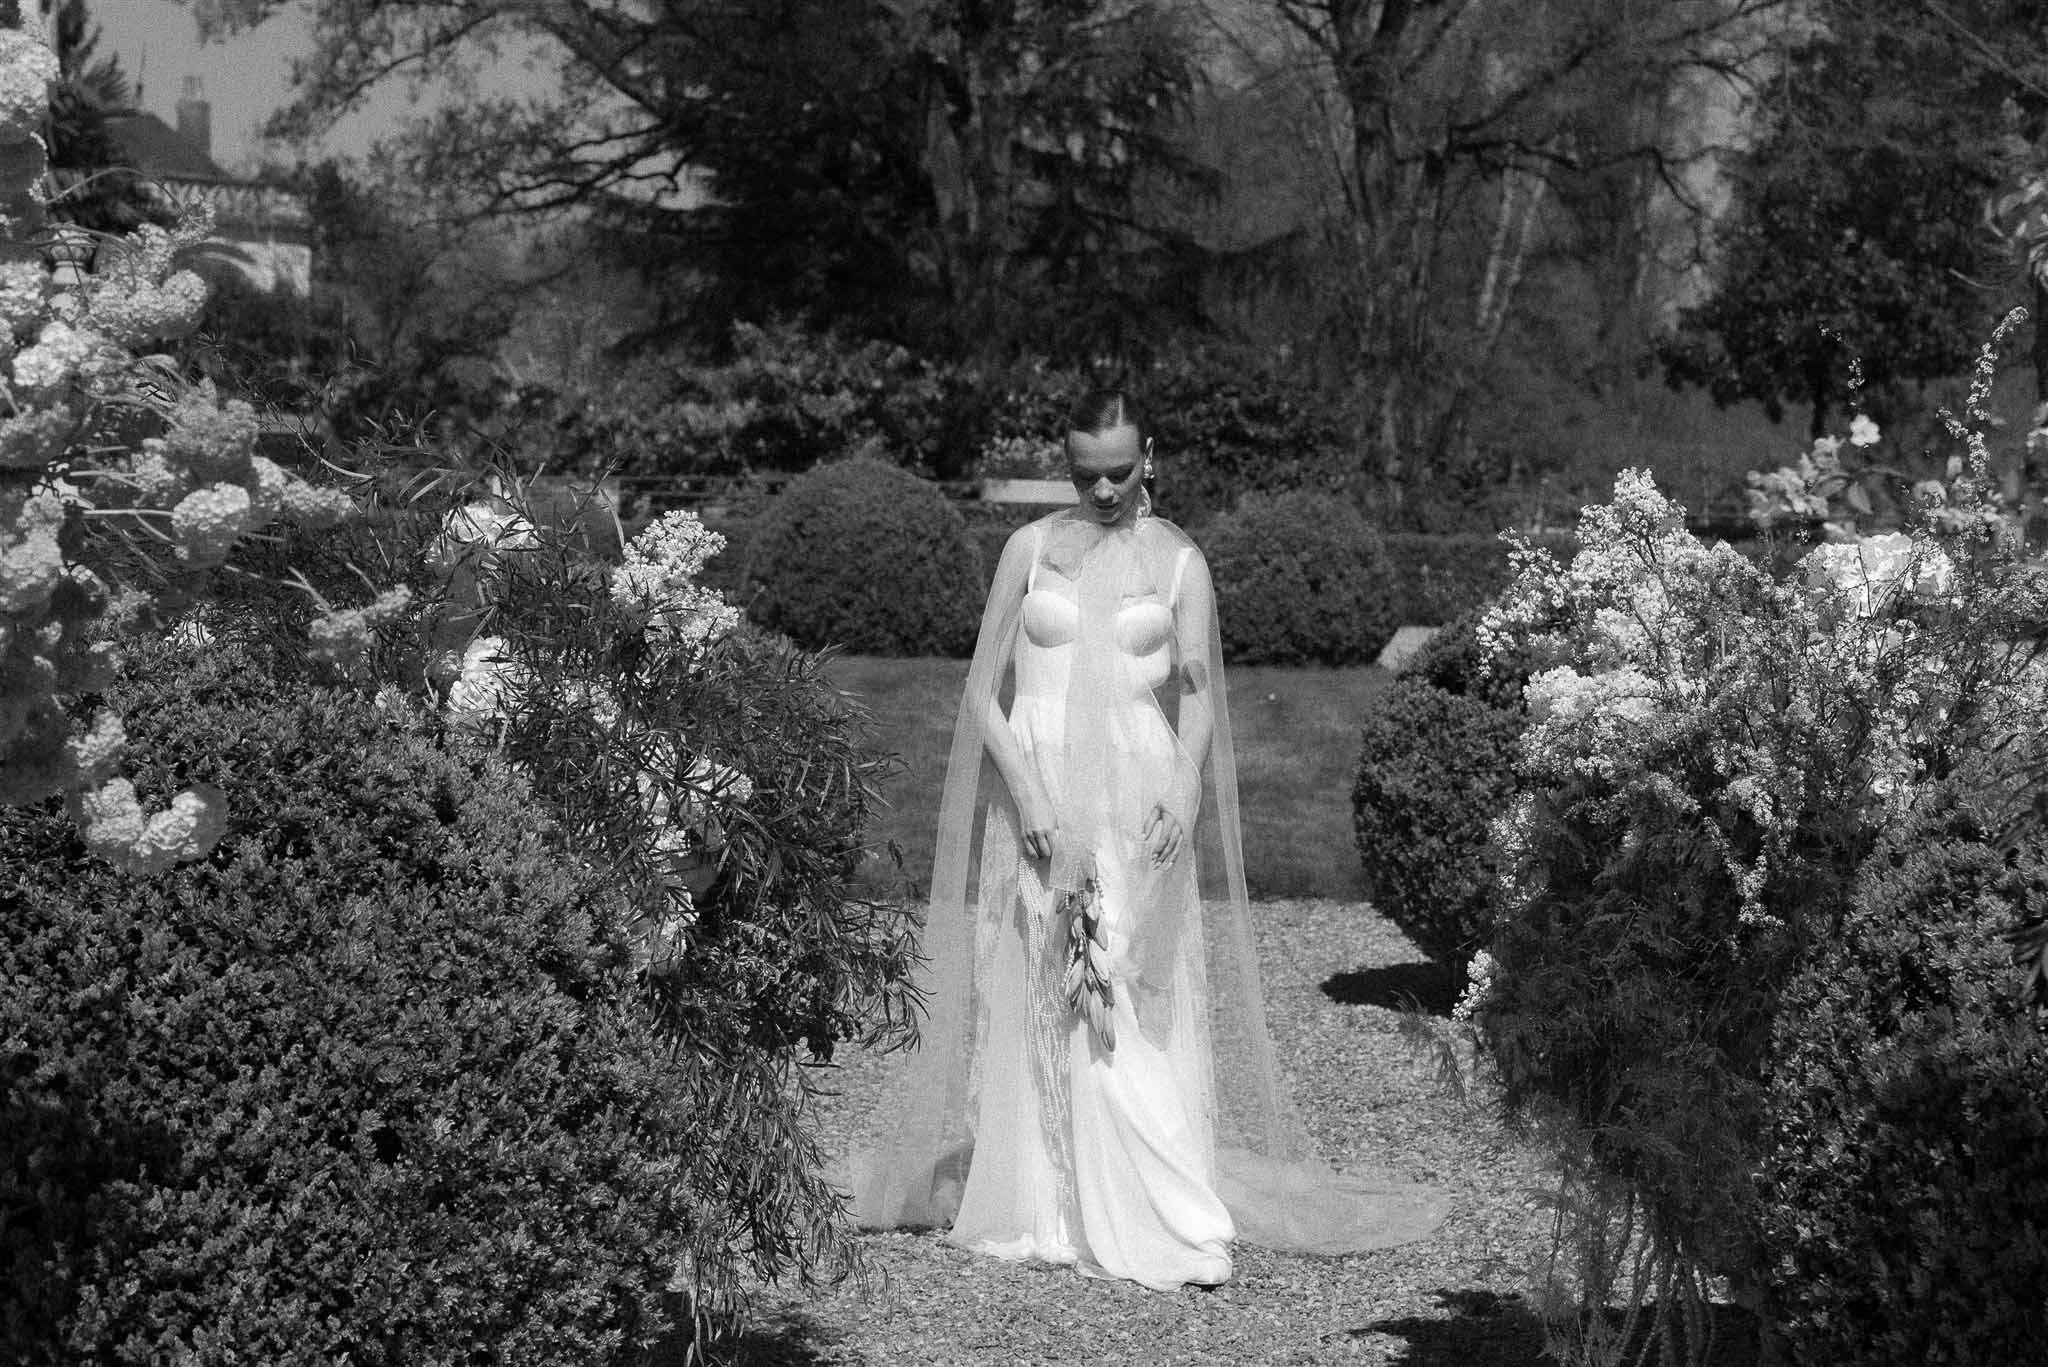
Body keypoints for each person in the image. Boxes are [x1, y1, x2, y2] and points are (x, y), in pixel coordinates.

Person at [848, 389, 1447, 1291]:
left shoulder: (1180, 564)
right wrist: (1031, 795)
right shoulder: (1030, 550)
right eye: (1085, 473)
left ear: (1149, 456)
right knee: (1042, 970)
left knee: (1124, 973)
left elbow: (1201, 698)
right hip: (1037, 783)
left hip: (1138, 787)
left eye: (1119, 472)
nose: (1101, 490)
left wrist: (1183, 782)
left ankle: (1146, 1195)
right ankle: (1046, 1195)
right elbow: (981, 691)